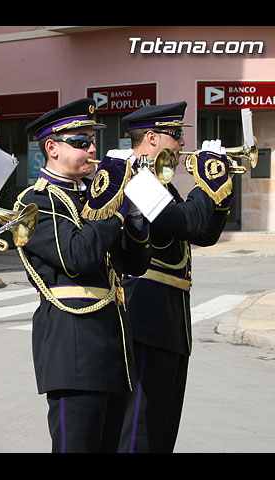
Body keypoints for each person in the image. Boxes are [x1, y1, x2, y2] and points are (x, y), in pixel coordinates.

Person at [14, 98, 152, 453]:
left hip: (112, 344)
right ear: (52, 148)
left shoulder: (92, 196)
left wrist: (135, 215)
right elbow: (78, 256)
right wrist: (115, 210)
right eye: (80, 142)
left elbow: (135, 265)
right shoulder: (35, 202)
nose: (92, 149)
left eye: (93, 141)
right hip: (72, 345)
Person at [117, 102, 232, 453]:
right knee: (141, 429)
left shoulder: (158, 182)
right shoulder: (133, 178)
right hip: (147, 316)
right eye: (176, 135)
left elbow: (202, 234)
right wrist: (206, 182)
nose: (182, 144)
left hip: (169, 320)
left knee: (163, 427)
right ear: (151, 138)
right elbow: (185, 222)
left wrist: (220, 194)